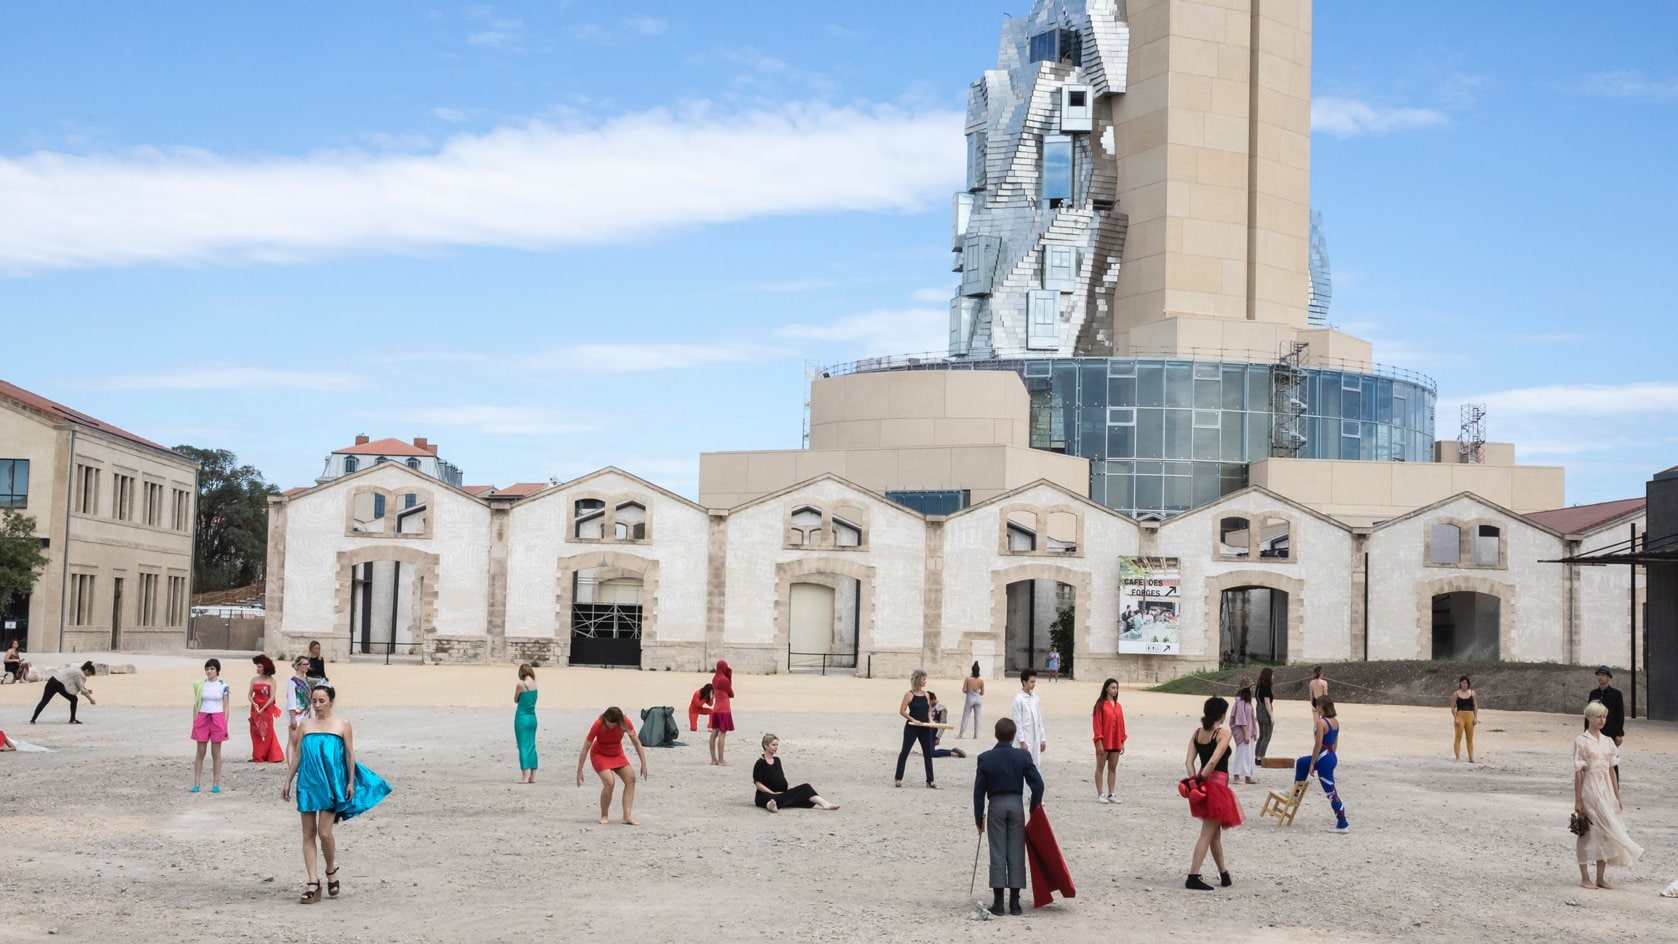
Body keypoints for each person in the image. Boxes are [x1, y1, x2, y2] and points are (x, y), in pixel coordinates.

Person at [282, 683, 392, 904]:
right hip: (308, 783)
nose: (317, 705)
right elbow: (299, 755)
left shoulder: (342, 724)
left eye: (322, 701)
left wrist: (350, 781)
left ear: (331, 701)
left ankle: (330, 869)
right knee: (307, 834)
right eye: (314, 701)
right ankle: (313, 883)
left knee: (324, 833)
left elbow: (350, 755)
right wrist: (287, 780)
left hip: (332, 783)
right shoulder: (305, 725)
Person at [974, 718, 1044, 917]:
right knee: (1015, 850)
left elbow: (978, 792)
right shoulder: (1022, 756)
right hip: (1015, 804)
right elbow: (1038, 784)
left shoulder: (985, 758)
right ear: (1014, 736)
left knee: (998, 850)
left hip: (996, 804)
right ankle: (1015, 903)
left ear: (996, 734)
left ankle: (998, 902)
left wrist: (978, 817)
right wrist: (1034, 809)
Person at [1574, 700, 1641, 889]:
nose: (1602, 720)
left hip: (1606, 790)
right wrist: (1578, 799)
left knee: (1604, 832)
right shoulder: (1581, 741)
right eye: (1598, 716)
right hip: (1589, 788)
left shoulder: (1608, 741)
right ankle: (1585, 877)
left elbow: (1612, 770)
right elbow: (1578, 772)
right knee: (1586, 832)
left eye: (1604, 716)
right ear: (1590, 718)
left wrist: (1618, 796)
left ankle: (1600, 878)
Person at [1183, 696, 1242, 890]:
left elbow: (1189, 762)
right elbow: (1214, 761)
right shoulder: (1223, 733)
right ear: (1222, 714)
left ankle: (1224, 873)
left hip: (1201, 785)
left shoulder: (1197, 733)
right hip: (1216, 786)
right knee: (1207, 834)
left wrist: (1194, 783)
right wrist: (1201, 781)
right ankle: (1193, 876)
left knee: (1214, 834)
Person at [576, 706, 649, 825]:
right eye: (608, 723)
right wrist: (579, 771)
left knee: (631, 779)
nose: (609, 726)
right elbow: (585, 749)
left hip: (617, 754)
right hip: (599, 755)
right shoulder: (598, 724)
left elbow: (637, 743)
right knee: (609, 782)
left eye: (612, 724)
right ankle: (604, 815)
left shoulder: (625, 723)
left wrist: (643, 763)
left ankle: (627, 816)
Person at [1293, 697, 1349, 833]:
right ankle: (1295, 792)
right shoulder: (1335, 722)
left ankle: (1343, 823)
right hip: (1330, 756)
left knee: (1330, 791)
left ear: (1321, 707)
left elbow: (1318, 744)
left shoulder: (1321, 722)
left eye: (1318, 705)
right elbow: (1335, 743)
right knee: (1301, 762)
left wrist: (1313, 763)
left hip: (1323, 757)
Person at [752, 734, 839, 812]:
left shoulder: (777, 760)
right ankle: (772, 806)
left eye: (777, 745)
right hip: (767, 795)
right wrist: (772, 793)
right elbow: (758, 784)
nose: (776, 747)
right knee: (771, 799)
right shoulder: (760, 763)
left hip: (782, 793)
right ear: (765, 746)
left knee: (806, 787)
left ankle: (825, 804)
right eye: (773, 745)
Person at [191, 658, 232, 793]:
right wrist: (195, 721)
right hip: (203, 716)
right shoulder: (200, 684)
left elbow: (226, 706)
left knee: (216, 752)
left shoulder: (223, 685)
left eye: (212, 669)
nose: (209, 671)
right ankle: (196, 782)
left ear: (217, 670)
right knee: (200, 752)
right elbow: (196, 703)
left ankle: (216, 783)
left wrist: (224, 724)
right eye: (207, 669)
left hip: (217, 717)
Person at [894, 669, 938, 788]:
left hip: (924, 727)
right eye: (924, 679)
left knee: (927, 753)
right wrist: (913, 720)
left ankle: (930, 780)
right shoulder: (909, 694)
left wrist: (931, 720)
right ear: (918, 680)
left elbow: (928, 710)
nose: (925, 682)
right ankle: (898, 778)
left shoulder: (927, 694)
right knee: (905, 751)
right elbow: (902, 711)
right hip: (912, 727)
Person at [1091, 678, 1127, 803]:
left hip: (1116, 741)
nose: (1115, 690)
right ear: (1106, 688)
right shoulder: (1100, 705)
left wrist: (1122, 741)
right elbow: (1097, 724)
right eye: (1112, 687)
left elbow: (1122, 724)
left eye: (1116, 688)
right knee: (1100, 767)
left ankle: (1111, 793)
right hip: (1104, 741)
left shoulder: (1119, 706)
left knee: (1113, 768)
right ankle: (1100, 793)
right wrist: (1099, 740)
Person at [30, 661, 96, 724]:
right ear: (87, 670)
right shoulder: (80, 674)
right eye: (90, 674)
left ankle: (33, 719)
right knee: (74, 699)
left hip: (52, 681)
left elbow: (79, 687)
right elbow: (82, 689)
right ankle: (72, 719)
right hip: (59, 685)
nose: (89, 676)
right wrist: (91, 700)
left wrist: (86, 690)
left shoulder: (75, 669)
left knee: (44, 701)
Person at [249, 655, 284, 764]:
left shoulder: (271, 680)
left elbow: (272, 696)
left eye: (259, 667)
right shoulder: (254, 679)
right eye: (257, 667)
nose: (257, 669)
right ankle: (258, 754)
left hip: (267, 707)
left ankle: (268, 754)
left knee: (267, 730)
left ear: (265, 667)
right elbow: (249, 695)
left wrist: (263, 708)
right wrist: (254, 704)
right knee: (255, 730)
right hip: (255, 707)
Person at [1010, 669, 1047, 767]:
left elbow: (1039, 720)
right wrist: (1022, 741)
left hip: (1035, 737)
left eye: (1034, 681)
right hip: (1025, 737)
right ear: (1024, 682)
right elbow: (1017, 722)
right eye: (1031, 682)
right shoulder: (1018, 700)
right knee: (1023, 764)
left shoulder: (1035, 698)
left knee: (1035, 764)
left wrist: (1042, 738)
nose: (1034, 684)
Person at [1229, 678, 1257, 784]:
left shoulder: (1247, 701)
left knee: (1249, 754)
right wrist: (1245, 734)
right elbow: (1241, 719)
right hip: (1243, 731)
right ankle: (1236, 776)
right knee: (1241, 753)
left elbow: (1250, 717)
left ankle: (1247, 777)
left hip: (1249, 731)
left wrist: (1252, 732)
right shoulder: (1240, 701)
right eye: (1250, 687)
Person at [514, 663, 538, 784]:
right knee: (532, 745)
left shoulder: (521, 684)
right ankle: (533, 776)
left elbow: (515, 699)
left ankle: (525, 776)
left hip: (522, 717)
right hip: (532, 717)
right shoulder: (534, 684)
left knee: (522, 745)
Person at [925, 692, 968, 759]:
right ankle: (952, 752)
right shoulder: (928, 707)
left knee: (931, 753)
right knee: (929, 751)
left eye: (929, 701)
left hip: (933, 730)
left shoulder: (941, 708)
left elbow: (943, 724)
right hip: (926, 730)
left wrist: (938, 737)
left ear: (933, 699)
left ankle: (953, 753)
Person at [708, 661, 734, 766]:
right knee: (722, 734)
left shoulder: (714, 679)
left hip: (716, 708)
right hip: (724, 709)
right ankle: (721, 759)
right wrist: (729, 675)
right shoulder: (724, 680)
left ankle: (713, 759)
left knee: (714, 733)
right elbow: (731, 693)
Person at [1451, 675, 1479, 763]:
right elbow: (1452, 707)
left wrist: (1475, 717)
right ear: (1460, 683)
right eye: (1463, 682)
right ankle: (1458, 757)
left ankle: (1471, 757)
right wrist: (1456, 718)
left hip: (1470, 716)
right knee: (1458, 737)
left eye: (1466, 683)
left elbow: (1475, 706)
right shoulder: (1456, 694)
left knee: (1470, 739)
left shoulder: (1472, 693)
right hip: (1460, 715)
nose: (1465, 684)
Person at [1254, 667, 1275, 762]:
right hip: (1264, 711)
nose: (1273, 677)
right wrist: (1271, 716)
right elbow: (1267, 702)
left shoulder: (1259, 686)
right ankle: (1260, 757)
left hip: (1258, 709)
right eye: (1272, 675)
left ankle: (1256, 755)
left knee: (1262, 735)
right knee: (1267, 736)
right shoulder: (1266, 687)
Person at [959, 662, 985, 738]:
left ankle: (961, 734)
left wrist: (969, 692)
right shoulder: (981, 681)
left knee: (966, 716)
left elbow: (964, 690)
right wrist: (977, 693)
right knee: (977, 718)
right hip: (978, 699)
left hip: (970, 698)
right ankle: (976, 735)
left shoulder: (968, 679)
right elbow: (982, 693)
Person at [287, 656, 313, 731]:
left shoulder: (306, 680)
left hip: (305, 714)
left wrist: (310, 714)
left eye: (308, 664)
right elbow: (291, 700)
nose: (307, 666)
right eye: (304, 664)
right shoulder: (293, 681)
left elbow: (308, 698)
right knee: (293, 740)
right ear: (298, 666)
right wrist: (292, 718)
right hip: (296, 715)